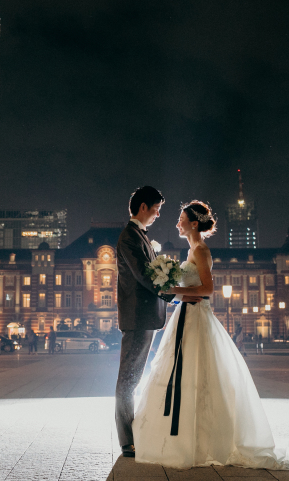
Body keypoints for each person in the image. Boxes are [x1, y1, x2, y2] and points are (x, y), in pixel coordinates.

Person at [132, 200, 289, 470]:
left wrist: (171, 292)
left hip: (195, 317)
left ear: (194, 223)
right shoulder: (192, 250)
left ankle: (202, 438)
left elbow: (207, 290)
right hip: (186, 316)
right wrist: (172, 291)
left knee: (199, 374)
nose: (177, 223)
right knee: (187, 374)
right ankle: (187, 437)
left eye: (181, 219)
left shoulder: (201, 250)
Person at [114, 186, 200, 459]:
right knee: (129, 378)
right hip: (138, 317)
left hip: (144, 315)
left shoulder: (139, 236)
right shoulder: (130, 237)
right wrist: (173, 293)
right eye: (156, 209)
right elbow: (142, 275)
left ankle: (132, 435)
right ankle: (127, 440)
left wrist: (171, 297)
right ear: (143, 208)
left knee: (134, 376)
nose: (157, 215)